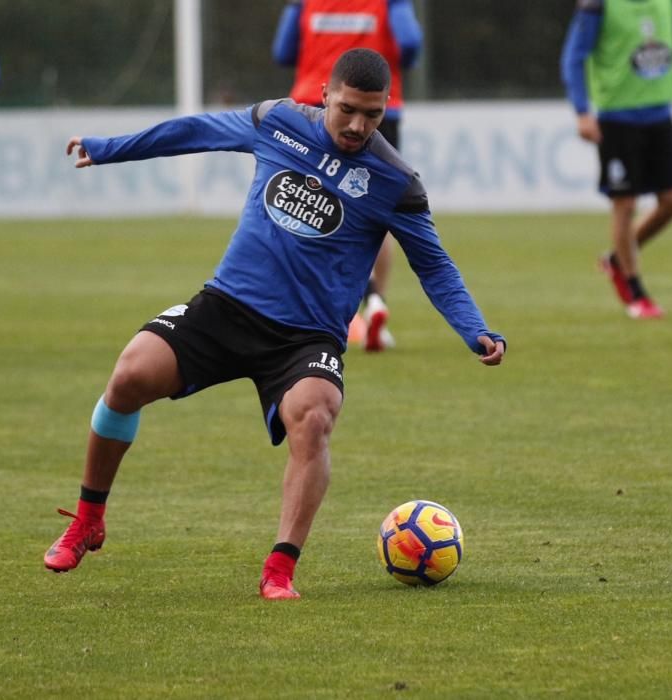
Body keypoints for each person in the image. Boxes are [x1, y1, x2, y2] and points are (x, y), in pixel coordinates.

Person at [44, 48, 505, 600]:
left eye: (374, 115)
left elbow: (434, 266)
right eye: (349, 109)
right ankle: (88, 520)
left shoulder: (396, 183)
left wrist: (473, 327)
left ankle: (279, 570)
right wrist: (108, 149)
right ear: (325, 94)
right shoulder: (278, 121)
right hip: (227, 308)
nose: (359, 125)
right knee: (128, 377)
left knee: (313, 416)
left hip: (306, 338)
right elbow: (196, 131)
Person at [272, 0, 423, 350]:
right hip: (379, 108)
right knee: (377, 213)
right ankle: (375, 306)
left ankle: (307, 313)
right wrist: (398, 67)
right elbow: (410, 41)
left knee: (303, 205)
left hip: (313, 104)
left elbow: (282, 50)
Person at [561, 0, 672, 319]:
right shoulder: (597, 5)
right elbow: (573, 58)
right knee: (625, 203)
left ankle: (616, 259)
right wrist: (582, 111)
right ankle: (636, 293)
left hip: (660, 113)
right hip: (617, 117)